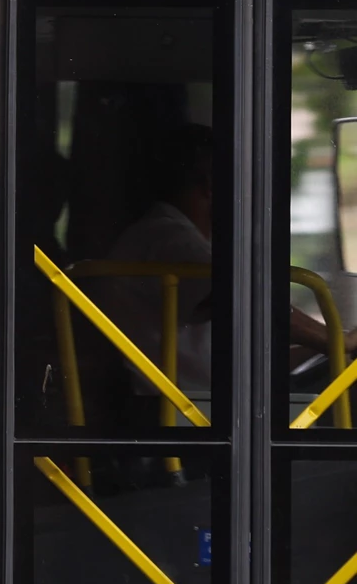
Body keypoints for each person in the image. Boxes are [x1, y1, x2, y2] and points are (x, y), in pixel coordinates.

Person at [97, 123, 357, 397]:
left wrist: (327, 347)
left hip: (202, 398)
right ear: (211, 184)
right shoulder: (169, 239)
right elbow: (250, 301)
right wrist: (337, 341)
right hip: (190, 406)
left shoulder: (163, 236)